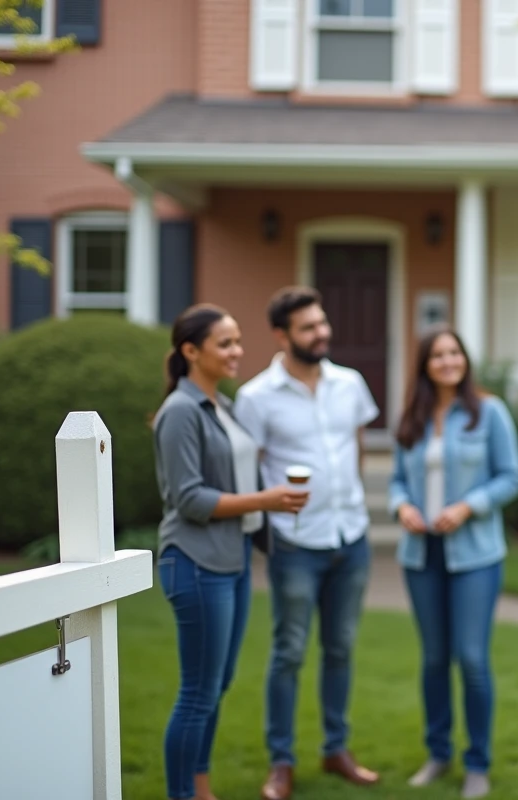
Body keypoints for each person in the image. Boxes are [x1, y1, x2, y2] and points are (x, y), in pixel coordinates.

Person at [153, 304, 310, 800]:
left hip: (232, 558)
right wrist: (265, 501)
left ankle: (200, 787)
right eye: (225, 343)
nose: (238, 351)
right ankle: (183, 793)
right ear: (190, 351)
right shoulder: (180, 411)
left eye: (238, 340)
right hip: (196, 562)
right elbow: (189, 498)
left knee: (215, 685)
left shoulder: (219, 403)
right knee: (197, 693)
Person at [233, 286, 381, 800]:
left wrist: (352, 502)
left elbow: (355, 448)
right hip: (295, 545)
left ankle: (336, 749)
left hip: (351, 537)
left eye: (322, 323)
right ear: (282, 335)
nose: (322, 334)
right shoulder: (255, 397)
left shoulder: (350, 383)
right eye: (308, 328)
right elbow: (247, 467)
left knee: (340, 649)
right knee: (289, 652)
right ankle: (281, 761)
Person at [388, 326, 518, 799]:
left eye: (454, 353)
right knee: (432, 660)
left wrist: (467, 507)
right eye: (437, 355)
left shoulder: (489, 413)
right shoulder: (413, 417)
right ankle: (438, 753)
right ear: (425, 364)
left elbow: (511, 477)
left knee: (470, 659)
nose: (448, 361)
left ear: (464, 360)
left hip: (476, 557)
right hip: (420, 554)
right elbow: (397, 482)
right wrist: (402, 507)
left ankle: (478, 763)